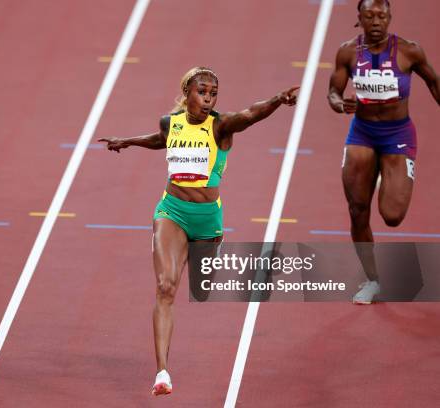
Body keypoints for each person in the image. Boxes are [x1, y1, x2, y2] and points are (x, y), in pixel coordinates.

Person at [99, 67, 298, 396]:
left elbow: (251, 114)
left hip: (207, 219)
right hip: (172, 211)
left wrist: (277, 100)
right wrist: (128, 141)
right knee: (165, 287)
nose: (208, 99)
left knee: (202, 290)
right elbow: (161, 141)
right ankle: (162, 372)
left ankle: (210, 251)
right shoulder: (170, 122)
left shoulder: (221, 125)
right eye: (202, 92)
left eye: (213, 93)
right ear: (187, 92)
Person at [327, 0, 439, 304]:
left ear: (389, 18)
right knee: (357, 210)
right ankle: (372, 280)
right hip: (362, 133)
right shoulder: (348, 52)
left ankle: (385, 175)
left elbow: (434, 82)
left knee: (392, 216)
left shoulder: (409, 51)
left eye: (382, 15)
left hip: (397, 135)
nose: (376, 21)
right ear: (359, 19)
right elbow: (333, 91)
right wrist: (338, 104)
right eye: (369, 15)